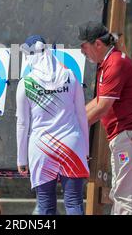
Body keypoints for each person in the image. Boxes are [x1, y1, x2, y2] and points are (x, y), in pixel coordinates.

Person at [78, 21, 132, 215]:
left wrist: (74, 124)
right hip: (128, 135)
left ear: (97, 44)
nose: (81, 51)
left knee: (125, 197)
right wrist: (74, 118)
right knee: (121, 194)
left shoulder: (115, 63)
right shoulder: (108, 62)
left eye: (83, 46)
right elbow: (98, 101)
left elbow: (102, 108)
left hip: (130, 135)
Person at [16, 35, 90, 215]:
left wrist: (21, 159)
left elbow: (23, 123)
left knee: (45, 205)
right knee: (74, 202)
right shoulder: (70, 77)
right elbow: (81, 115)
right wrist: (86, 150)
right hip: (72, 145)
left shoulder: (26, 84)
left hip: (41, 148)